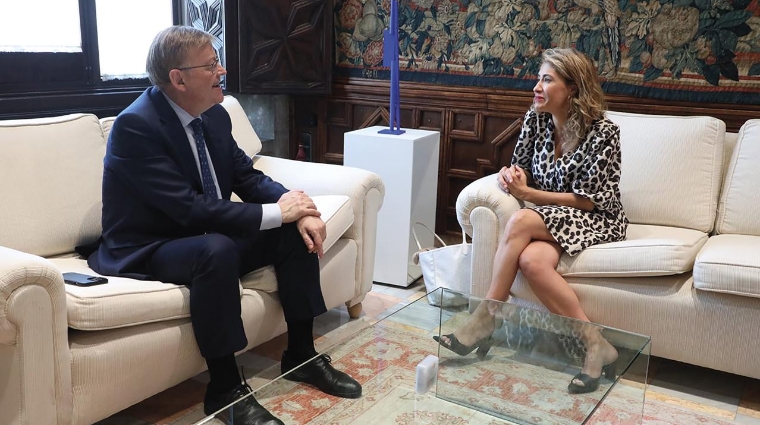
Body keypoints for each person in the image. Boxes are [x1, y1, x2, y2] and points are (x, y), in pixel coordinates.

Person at [87, 26, 361, 425]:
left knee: (288, 233)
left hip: (203, 233)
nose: (223, 70)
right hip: (151, 244)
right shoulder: (136, 128)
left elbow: (246, 178)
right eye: (211, 63)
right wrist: (276, 213)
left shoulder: (214, 115)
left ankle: (301, 354)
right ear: (178, 79)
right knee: (217, 249)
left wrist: (298, 208)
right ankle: (225, 390)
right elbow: (188, 210)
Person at [435, 48, 628, 394]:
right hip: (551, 218)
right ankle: (596, 343)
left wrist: (532, 197)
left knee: (522, 220)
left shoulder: (603, 132)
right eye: (538, 78)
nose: (536, 87)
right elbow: (519, 167)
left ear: (572, 88)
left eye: (547, 79)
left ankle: (485, 317)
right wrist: (508, 176)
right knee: (531, 262)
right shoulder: (535, 119)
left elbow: (589, 200)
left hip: (594, 217)